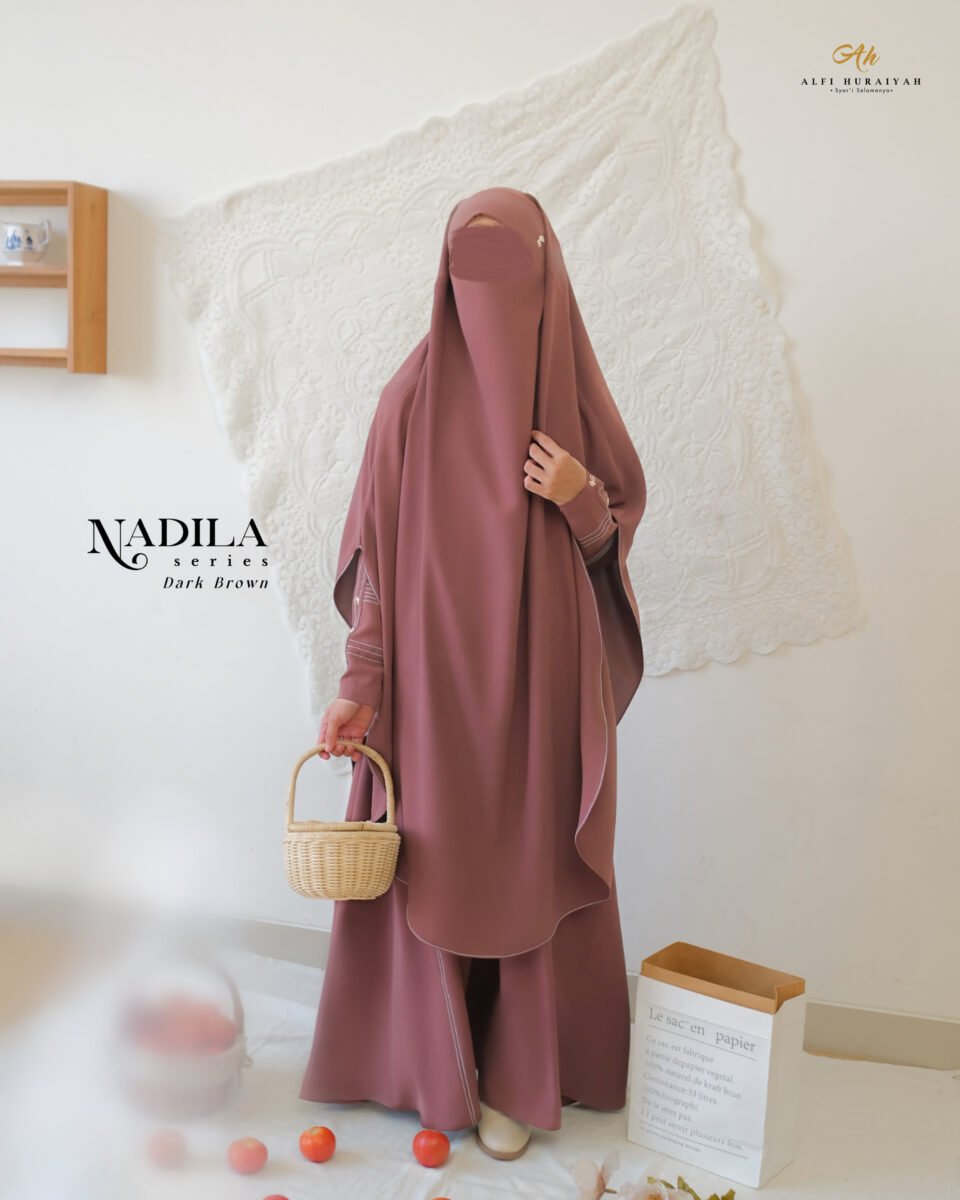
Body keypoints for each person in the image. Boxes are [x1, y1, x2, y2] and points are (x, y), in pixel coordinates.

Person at [300, 186, 647, 1161]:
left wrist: (580, 497)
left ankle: (519, 1075)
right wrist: (360, 685)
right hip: (431, 687)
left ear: (548, 279)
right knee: (441, 856)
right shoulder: (406, 405)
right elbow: (374, 565)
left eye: (509, 276)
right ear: (445, 284)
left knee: (527, 861)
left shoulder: (575, 408)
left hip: (542, 684)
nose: (489, 298)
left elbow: (610, 542)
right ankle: (438, 1067)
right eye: (469, 274)